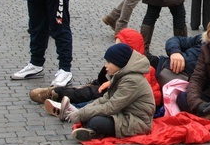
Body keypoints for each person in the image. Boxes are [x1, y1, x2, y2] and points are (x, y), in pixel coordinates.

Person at [31, 28, 161, 108]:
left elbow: (132, 87)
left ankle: (57, 95)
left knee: (93, 95)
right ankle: (61, 96)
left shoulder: (143, 68)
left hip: (129, 101)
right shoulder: (124, 63)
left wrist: (111, 83)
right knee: (91, 91)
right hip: (117, 93)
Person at [62, 43, 155, 142]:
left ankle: (94, 132)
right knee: (91, 112)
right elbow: (105, 99)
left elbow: (111, 107)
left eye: (109, 62)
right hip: (124, 114)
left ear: (119, 63)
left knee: (96, 121)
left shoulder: (132, 80)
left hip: (137, 121)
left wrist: (82, 114)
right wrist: (82, 112)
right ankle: (81, 119)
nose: (105, 66)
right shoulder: (121, 74)